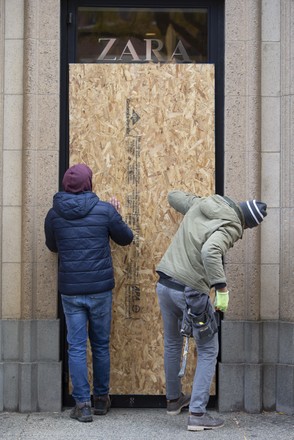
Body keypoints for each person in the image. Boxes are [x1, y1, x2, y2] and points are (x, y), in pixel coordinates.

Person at [156, 191, 267, 431]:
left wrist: (196, 200)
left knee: (172, 342)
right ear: (247, 223)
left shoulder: (204, 203)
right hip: (190, 290)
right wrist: (222, 288)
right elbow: (210, 251)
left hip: (165, 283)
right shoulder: (232, 226)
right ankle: (197, 413)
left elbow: (173, 196)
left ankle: (173, 401)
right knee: (208, 350)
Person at [44, 163, 134, 422]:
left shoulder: (54, 214)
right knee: (101, 345)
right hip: (99, 289)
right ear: (89, 184)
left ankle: (82, 405)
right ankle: (101, 400)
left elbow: (52, 246)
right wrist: (116, 214)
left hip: (71, 291)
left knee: (76, 346)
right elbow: (126, 238)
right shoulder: (104, 210)